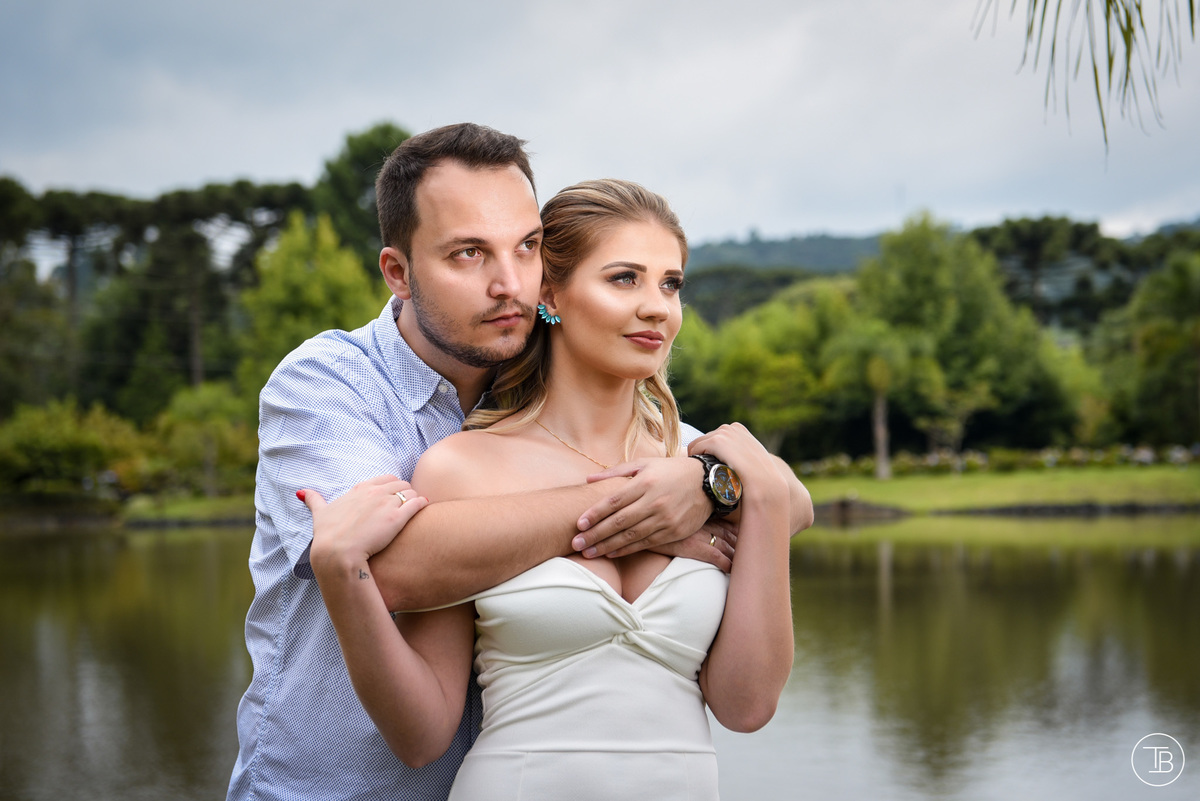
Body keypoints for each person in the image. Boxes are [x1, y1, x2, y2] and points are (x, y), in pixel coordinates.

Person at [228, 123, 813, 801]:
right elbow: (394, 565)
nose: (508, 283)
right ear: (398, 272)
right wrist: (642, 511)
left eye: (526, 247)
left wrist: (714, 484)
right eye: (469, 254)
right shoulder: (331, 387)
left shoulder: (676, 456)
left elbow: (786, 500)